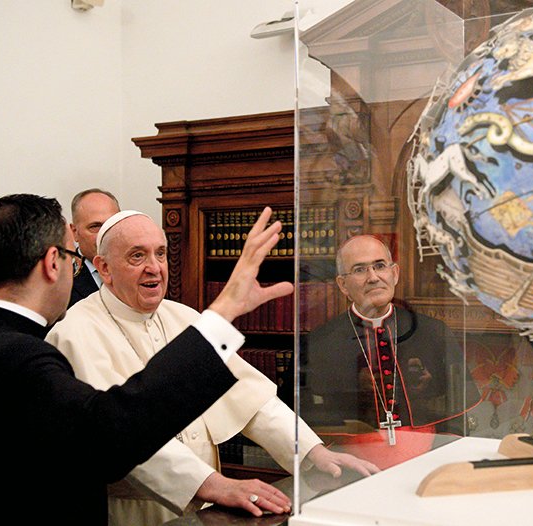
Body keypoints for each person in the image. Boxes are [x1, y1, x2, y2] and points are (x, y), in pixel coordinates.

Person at [0, 195, 293, 524]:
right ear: (54, 262)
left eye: (160, 254)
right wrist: (224, 311)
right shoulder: (24, 355)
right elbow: (111, 433)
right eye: (74, 259)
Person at [47, 210, 379, 525]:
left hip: (208, 506)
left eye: (160, 254)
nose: (154, 267)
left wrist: (313, 453)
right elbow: (123, 435)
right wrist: (214, 484)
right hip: (132, 512)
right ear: (104, 268)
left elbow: (251, 400)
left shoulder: (184, 317)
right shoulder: (75, 331)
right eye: (137, 256)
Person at [302, 235, 482, 469]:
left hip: (428, 465)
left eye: (379, 266)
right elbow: (308, 420)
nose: (373, 277)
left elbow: (455, 416)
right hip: (350, 472)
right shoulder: (320, 343)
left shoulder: (433, 332)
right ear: (343, 285)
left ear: (394, 273)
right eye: (359, 270)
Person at [68, 188, 121, 307]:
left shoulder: (137, 272)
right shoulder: (63, 283)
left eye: (111, 224)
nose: (105, 233)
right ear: (75, 232)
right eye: (95, 226)